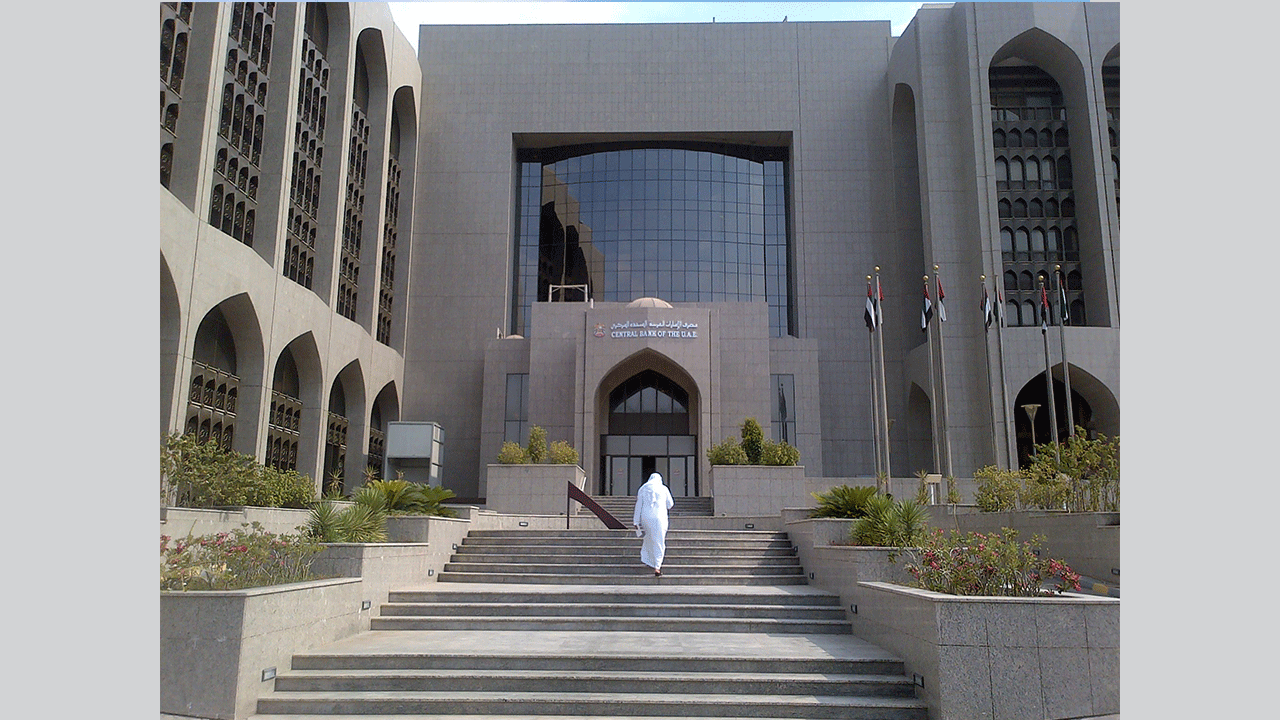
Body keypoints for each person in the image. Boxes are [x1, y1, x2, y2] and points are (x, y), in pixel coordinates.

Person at [632, 472, 674, 576]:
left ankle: (649, 560)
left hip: (646, 518)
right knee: (659, 540)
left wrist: (636, 521)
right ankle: (657, 566)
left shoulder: (643, 488)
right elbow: (670, 504)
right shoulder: (664, 489)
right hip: (660, 518)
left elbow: (638, 505)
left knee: (649, 538)